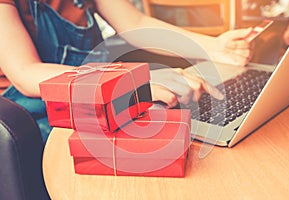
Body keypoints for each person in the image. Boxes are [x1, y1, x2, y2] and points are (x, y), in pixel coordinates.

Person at [0, 0, 253, 142]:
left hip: (91, 96)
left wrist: (214, 46)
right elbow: (26, 73)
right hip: (32, 118)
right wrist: (129, 80)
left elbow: (136, 23)